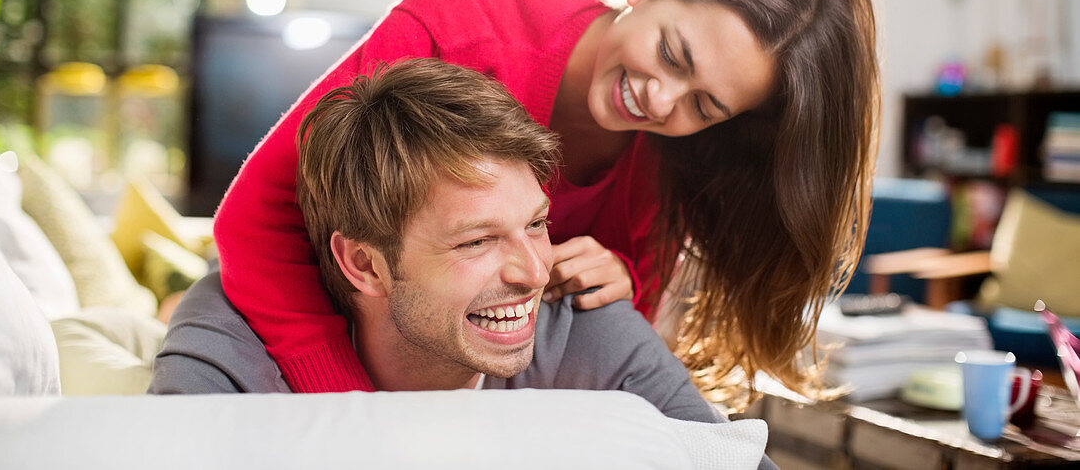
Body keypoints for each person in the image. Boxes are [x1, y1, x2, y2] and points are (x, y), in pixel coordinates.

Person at [214, 0, 880, 404]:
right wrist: (352, 410)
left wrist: (624, 283)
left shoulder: (671, 157)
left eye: (704, 103)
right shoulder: (463, 20)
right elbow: (256, 218)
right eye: (673, 54)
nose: (661, 99)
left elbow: (604, 350)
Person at [150, 59, 720, 427]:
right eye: (476, 242)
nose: (532, 271)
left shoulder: (586, 324)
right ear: (365, 265)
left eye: (537, 224)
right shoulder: (228, 350)